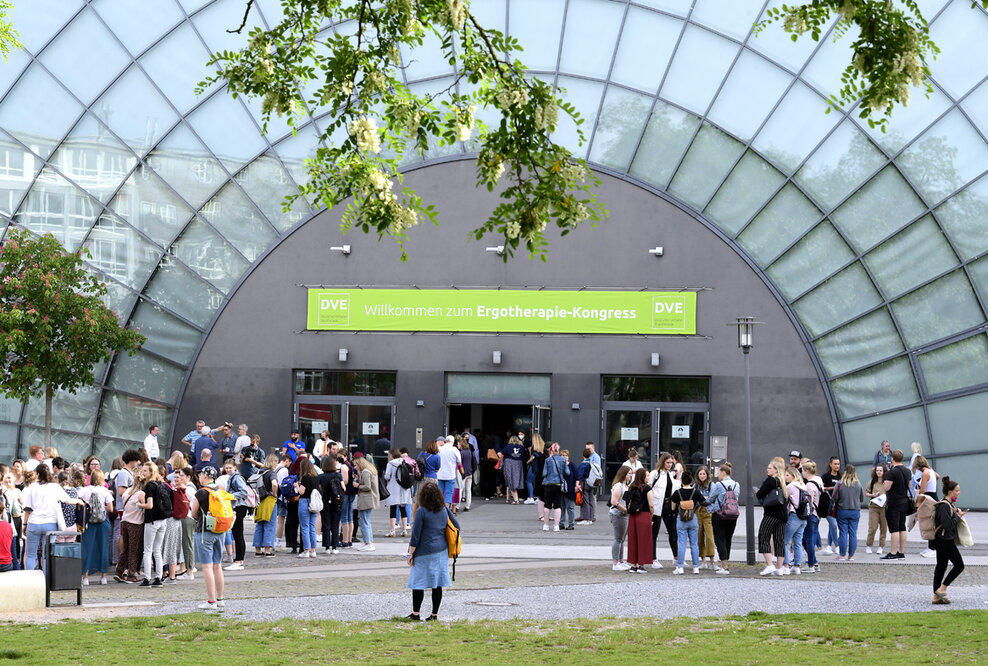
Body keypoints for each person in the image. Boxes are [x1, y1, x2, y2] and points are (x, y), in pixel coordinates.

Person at [405, 482, 459, 621]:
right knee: (437, 584)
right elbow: (457, 526)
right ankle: (434, 615)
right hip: (441, 550)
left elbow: (415, 536)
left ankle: (416, 613)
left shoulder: (422, 511)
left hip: (424, 551)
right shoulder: (444, 510)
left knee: (418, 583)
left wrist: (410, 554)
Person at [20, 464, 83, 572]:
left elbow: (27, 509)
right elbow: (68, 500)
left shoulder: (32, 487)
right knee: (47, 555)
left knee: (31, 554)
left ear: (38, 474)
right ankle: (46, 582)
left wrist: (25, 524)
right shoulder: (55, 487)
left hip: (34, 523)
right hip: (50, 524)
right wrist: (78, 501)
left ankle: (29, 582)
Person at [190, 466, 226, 611]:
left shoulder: (201, 493)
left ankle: (211, 601)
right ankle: (220, 599)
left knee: (207, 566)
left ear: (205, 476)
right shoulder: (221, 490)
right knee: (218, 566)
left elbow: (193, 513)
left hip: (205, 532)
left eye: (200, 475)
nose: (199, 477)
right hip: (220, 530)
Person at [931, 477, 966, 605]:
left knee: (941, 566)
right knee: (959, 565)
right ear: (950, 492)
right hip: (944, 540)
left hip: (942, 539)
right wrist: (958, 517)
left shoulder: (949, 505)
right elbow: (948, 525)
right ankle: (942, 589)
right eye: (957, 490)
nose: (959, 493)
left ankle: (936, 597)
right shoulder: (944, 506)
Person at [78, 469, 114, 585]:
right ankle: (103, 577)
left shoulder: (84, 490)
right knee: (103, 548)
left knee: (87, 548)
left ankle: (85, 577)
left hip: (89, 522)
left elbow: (78, 503)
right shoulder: (105, 490)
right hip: (103, 522)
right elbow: (110, 509)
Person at [136, 461, 169, 588]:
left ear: (151, 472)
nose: (143, 473)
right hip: (163, 521)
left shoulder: (149, 485)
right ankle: (158, 577)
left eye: (145, 471)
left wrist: (140, 505)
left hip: (152, 520)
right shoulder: (161, 484)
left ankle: (147, 578)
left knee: (147, 550)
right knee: (157, 550)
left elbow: (149, 505)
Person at [647, 453, 680, 568]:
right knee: (654, 534)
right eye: (668, 462)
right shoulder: (655, 474)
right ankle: (653, 558)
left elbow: (675, 489)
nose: (670, 465)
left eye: (671, 462)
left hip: (668, 506)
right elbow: (647, 487)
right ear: (662, 462)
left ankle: (676, 558)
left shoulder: (670, 475)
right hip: (656, 506)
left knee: (673, 532)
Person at [706, 463, 739, 575]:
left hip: (720, 515)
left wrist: (702, 501)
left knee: (720, 539)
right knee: (728, 539)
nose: (718, 475)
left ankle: (724, 566)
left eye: (718, 472)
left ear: (723, 473)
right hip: (733, 515)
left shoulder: (719, 485)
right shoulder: (737, 484)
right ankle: (726, 562)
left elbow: (711, 499)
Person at [670, 469, 705, 575]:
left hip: (681, 520)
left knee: (682, 544)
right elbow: (703, 502)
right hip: (693, 518)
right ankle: (696, 567)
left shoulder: (677, 492)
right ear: (691, 481)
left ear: (682, 481)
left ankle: (680, 567)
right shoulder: (696, 492)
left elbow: (673, 507)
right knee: (694, 544)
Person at [756, 460, 787, 576]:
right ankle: (779, 568)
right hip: (783, 514)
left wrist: (758, 492)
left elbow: (760, 494)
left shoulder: (770, 480)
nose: (767, 470)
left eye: (770, 468)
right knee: (779, 540)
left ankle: (770, 565)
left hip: (771, 513)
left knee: (763, 536)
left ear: (776, 470)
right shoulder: (782, 481)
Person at [624, 468, 655, 573]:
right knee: (644, 541)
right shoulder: (647, 488)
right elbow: (651, 504)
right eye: (647, 476)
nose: (648, 477)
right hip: (644, 515)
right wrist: (651, 514)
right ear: (642, 477)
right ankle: (641, 565)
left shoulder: (631, 487)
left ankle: (633, 565)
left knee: (633, 540)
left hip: (633, 516)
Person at [881, 449, 910, 560]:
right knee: (902, 527)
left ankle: (893, 553)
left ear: (892, 458)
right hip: (904, 502)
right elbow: (909, 485)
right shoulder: (907, 471)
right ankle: (901, 552)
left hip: (893, 503)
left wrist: (884, 483)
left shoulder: (892, 472)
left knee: (894, 529)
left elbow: (887, 487)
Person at [834, 464, 865, 561]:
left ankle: (842, 554)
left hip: (842, 510)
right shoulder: (858, 484)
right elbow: (862, 499)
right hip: (855, 511)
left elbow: (835, 497)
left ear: (845, 472)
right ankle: (851, 555)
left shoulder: (840, 483)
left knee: (843, 532)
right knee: (853, 533)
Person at [223, 458, 250, 570]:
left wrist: (232, 496)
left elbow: (244, 491)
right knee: (236, 534)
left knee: (238, 534)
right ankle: (238, 560)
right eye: (226, 468)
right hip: (236, 506)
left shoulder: (236, 477)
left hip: (238, 507)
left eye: (230, 467)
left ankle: (239, 561)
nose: (228, 469)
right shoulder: (232, 477)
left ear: (235, 467)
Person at [252, 455, 280, 557]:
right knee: (270, 525)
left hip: (259, 500)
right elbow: (274, 484)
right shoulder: (271, 473)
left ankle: (258, 549)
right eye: (276, 462)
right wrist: (274, 493)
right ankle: (267, 550)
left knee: (259, 524)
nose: (277, 464)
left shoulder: (258, 471)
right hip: (269, 500)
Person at [782, 466, 808, 574]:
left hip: (794, 516)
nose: (785, 477)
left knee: (784, 541)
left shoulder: (791, 486)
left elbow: (784, 499)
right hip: (803, 517)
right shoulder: (803, 486)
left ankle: (786, 565)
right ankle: (797, 566)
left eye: (787, 475)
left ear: (793, 476)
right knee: (798, 542)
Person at [912, 455, 939, 558]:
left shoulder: (925, 473)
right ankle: (931, 547)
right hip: (933, 496)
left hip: (928, 498)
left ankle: (933, 548)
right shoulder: (930, 470)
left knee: (930, 523)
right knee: (931, 523)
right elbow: (938, 476)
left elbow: (922, 491)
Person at [295, 457, 321, 559]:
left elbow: (301, 492)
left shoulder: (305, 477)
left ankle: (306, 550)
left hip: (305, 502)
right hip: (314, 503)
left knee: (304, 527)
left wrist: (296, 486)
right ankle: (313, 550)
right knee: (312, 527)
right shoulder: (316, 477)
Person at [384, 449, 412, 537]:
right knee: (403, 509)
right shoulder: (404, 462)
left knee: (393, 509)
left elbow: (387, 476)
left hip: (393, 488)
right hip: (404, 489)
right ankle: (404, 530)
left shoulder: (390, 464)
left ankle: (392, 531)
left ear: (392, 455)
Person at [354, 455, 380, 551]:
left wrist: (358, 485)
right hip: (370, 499)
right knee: (366, 521)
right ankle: (370, 542)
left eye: (356, 465)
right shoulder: (370, 470)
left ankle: (368, 543)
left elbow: (367, 487)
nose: (355, 467)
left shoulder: (365, 472)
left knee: (363, 521)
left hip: (366, 499)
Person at [800, 461, 822, 573]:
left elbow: (809, 501)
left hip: (811, 514)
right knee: (810, 539)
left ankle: (811, 565)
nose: (802, 473)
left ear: (806, 471)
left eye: (803, 471)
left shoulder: (809, 484)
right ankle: (815, 563)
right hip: (817, 514)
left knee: (807, 540)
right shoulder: (818, 480)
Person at [318, 456, 343, 553]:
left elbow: (319, 488)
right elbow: (343, 488)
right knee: (335, 524)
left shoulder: (321, 476)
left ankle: (327, 546)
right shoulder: (338, 475)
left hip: (325, 502)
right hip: (336, 502)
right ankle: (335, 547)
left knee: (326, 524)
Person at [609, 467, 631, 571]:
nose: (630, 475)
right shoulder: (618, 486)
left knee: (622, 539)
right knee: (618, 539)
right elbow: (614, 501)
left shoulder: (625, 485)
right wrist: (624, 510)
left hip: (624, 514)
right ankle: (615, 563)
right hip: (618, 514)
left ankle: (621, 561)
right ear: (624, 474)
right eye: (629, 474)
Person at [541, 443, 566, 532]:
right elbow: (568, 472)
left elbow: (544, 473)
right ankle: (556, 526)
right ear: (558, 450)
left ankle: (546, 525)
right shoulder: (562, 460)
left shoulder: (548, 460)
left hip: (548, 485)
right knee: (557, 506)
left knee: (547, 506)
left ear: (551, 450)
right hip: (558, 485)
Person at [694, 465, 715, 570]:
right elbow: (694, 499)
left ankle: (712, 560)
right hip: (698, 511)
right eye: (700, 474)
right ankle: (703, 561)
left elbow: (711, 499)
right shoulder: (695, 486)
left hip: (708, 511)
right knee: (699, 536)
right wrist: (703, 498)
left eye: (704, 474)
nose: (702, 476)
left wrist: (701, 498)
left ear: (707, 475)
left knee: (709, 536)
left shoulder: (711, 485)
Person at [819, 457, 841, 554]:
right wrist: (834, 487)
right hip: (827, 504)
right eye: (835, 464)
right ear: (830, 464)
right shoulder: (825, 476)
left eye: (838, 464)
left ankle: (828, 545)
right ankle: (837, 545)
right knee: (833, 524)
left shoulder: (841, 476)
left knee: (832, 526)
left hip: (838, 504)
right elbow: (821, 488)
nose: (837, 466)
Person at [865, 464, 888, 555]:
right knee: (873, 527)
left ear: (884, 472)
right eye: (877, 470)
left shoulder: (886, 483)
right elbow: (867, 493)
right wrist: (872, 495)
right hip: (873, 507)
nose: (878, 472)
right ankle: (869, 545)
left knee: (883, 528)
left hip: (884, 507)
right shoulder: (872, 482)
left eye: (880, 470)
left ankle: (881, 546)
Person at [436, 436, 462, 509]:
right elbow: (459, 463)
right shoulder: (454, 450)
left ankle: (439, 509)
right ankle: (446, 510)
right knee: (449, 494)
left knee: (440, 493)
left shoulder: (439, 449)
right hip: (450, 475)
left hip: (440, 475)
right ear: (452, 442)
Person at [500, 436, 526, 505]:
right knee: (513, 480)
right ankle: (508, 499)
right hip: (518, 464)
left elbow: (502, 453)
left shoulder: (508, 446)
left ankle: (516, 500)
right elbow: (525, 454)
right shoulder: (521, 447)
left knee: (510, 480)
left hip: (509, 463)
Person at [560, 448, 578, 530]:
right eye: (563, 455)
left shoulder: (572, 465)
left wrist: (576, 486)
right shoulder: (559, 465)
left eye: (566, 455)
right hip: (560, 489)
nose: (564, 457)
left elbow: (577, 477)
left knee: (570, 507)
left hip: (570, 489)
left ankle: (571, 524)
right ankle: (561, 523)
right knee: (561, 507)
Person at [458, 436, 474, 512]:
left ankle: (457, 506)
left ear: (461, 444)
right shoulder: (469, 451)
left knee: (460, 490)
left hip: (463, 473)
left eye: (458, 444)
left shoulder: (461, 453)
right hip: (469, 472)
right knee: (468, 490)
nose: (457, 445)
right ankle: (467, 506)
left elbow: (459, 464)